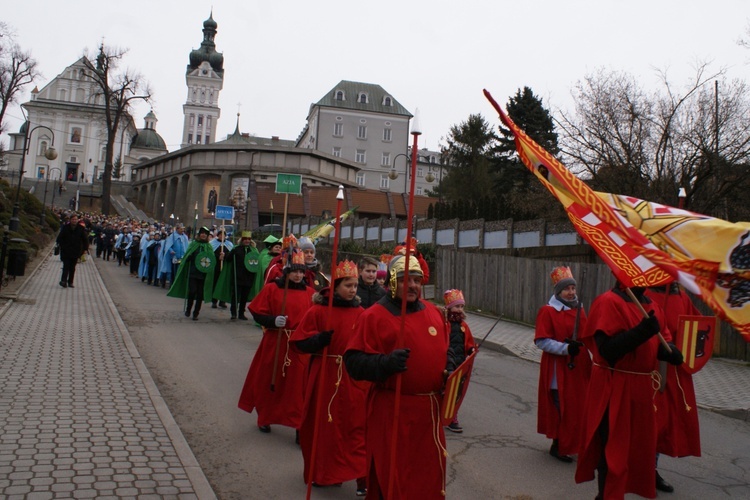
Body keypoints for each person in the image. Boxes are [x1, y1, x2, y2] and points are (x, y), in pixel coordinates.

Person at [344, 254, 452, 499]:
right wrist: (385, 363)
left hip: (428, 415)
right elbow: (353, 362)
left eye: (417, 280)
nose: (413, 285)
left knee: (427, 478)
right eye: (405, 280)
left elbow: (446, 350)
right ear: (392, 282)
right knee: (392, 478)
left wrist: (452, 365)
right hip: (393, 412)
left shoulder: (435, 313)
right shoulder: (373, 316)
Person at [575, 283, 684, 500]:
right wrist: (643, 331)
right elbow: (607, 350)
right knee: (612, 449)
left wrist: (671, 353)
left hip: (641, 389)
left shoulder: (652, 305)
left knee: (635, 450)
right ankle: (606, 496)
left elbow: (659, 344)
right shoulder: (608, 302)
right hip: (614, 384)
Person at [291, 260, 368, 495]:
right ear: (335, 286)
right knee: (325, 427)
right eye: (348, 285)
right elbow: (299, 342)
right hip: (325, 374)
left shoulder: (362, 314)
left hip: (352, 376)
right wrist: (317, 341)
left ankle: (362, 476)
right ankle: (325, 472)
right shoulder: (318, 310)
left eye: (355, 285)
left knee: (355, 428)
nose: (353, 290)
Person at [238, 248, 316, 433]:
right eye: (294, 271)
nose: (298, 275)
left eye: (301, 271)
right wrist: (272, 321)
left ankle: (298, 424)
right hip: (276, 341)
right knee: (270, 382)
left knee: (297, 387)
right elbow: (257, 312)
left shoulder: (310, 293)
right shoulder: (273, 289)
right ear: (287, 271)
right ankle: (265, 416)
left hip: (298, 345)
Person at [645, 283, 704, 493]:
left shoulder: (682, 297)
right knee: (651, 421)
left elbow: (697, 328)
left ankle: (650, 469)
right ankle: (639, 468)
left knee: (664, 424)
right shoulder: (645, 295)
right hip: (650, 370)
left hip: (675, 371)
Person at [534, 267, 592, 461]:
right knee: (562, 408)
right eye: (567, 289)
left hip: (579, 367)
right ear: (558, 291)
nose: (571, 292)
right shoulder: (548, 311)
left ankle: (573, 442)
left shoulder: (579, 309)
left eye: (573, 288)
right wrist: (566, 349)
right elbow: (541, 341)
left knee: (578, 407)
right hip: (559, 368)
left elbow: (587, 336)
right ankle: (559, 444)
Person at [443, 288, 477, 433]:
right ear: (449, 306)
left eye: (462, 306)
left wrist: (472, 350)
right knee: (444, 390)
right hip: (445, 362)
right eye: (457, 306)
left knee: (456, 392)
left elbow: (468, 341)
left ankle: (452, 417)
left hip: (459, 363)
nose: (459, 309)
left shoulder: (464, 326)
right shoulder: (444, 323)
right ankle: (441, 414)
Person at [167, 226, 217, 320]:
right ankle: (188, 309)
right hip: (193, 272)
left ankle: (196, 312)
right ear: (199, 234)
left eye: (205, 234)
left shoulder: (209, 246)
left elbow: (211, 259)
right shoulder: (193, 244)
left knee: (200, 294)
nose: (203, 235)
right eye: (202, 233)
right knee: (192, 291)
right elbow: (187, 256)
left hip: (203, 274)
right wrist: (188, 257)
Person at [213, 231, 260, 320]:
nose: (247, 241)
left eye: (248, 239)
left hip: (249, 277)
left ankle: (241, 313)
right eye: (245, 239)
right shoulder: (236, 249)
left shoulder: (253, 250)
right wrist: (226, 255)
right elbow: (229, 259)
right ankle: (233, 313)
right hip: (237, 276)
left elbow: (257, 262)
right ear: (242, 240)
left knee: (244, 297)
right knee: (236, 296)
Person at [56, 213, 89, 288]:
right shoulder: (65, 227)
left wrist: (85, 249)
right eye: (73, 219)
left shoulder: (81, 228)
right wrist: (62, 245)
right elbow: (60, 238)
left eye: (76, 219)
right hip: (66, 250)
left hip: (76, 251)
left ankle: (70, 281)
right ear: (70, 220)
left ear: (78, 220)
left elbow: (85, 240)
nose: (74, 221)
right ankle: (63, 281)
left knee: (72, 267)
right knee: (66, 266)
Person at [251, 235, 282, 299]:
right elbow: (266, 269)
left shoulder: (282, 258)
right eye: (276, 247)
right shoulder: (266, 257)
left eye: (280, 247)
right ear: (271, 248)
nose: (278, 248)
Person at [159, 224, 189, 288]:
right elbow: (168, 245)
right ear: (177, 229)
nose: (182, 230)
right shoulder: (172, 236)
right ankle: (172, 283)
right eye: (181, 229)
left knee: (180, 271)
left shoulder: (185, 237)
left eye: (183, 229)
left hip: (182, 256)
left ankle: (179, 284)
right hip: (174, 257)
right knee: (174, 271)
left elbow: (186, 245)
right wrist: (171, 250)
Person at [210, 229, 233, 308]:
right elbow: (211, 253)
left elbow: (231, 254)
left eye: (223, 235)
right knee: (215, 283)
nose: (222, 236)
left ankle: (222, 301)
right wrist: (218, 257)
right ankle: (214, 301)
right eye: (220, 235)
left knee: (223, 283)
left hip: (225, 266)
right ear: (218, 235)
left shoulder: (229, 244)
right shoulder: (213, 243)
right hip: (216, 266)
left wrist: (225, 255)